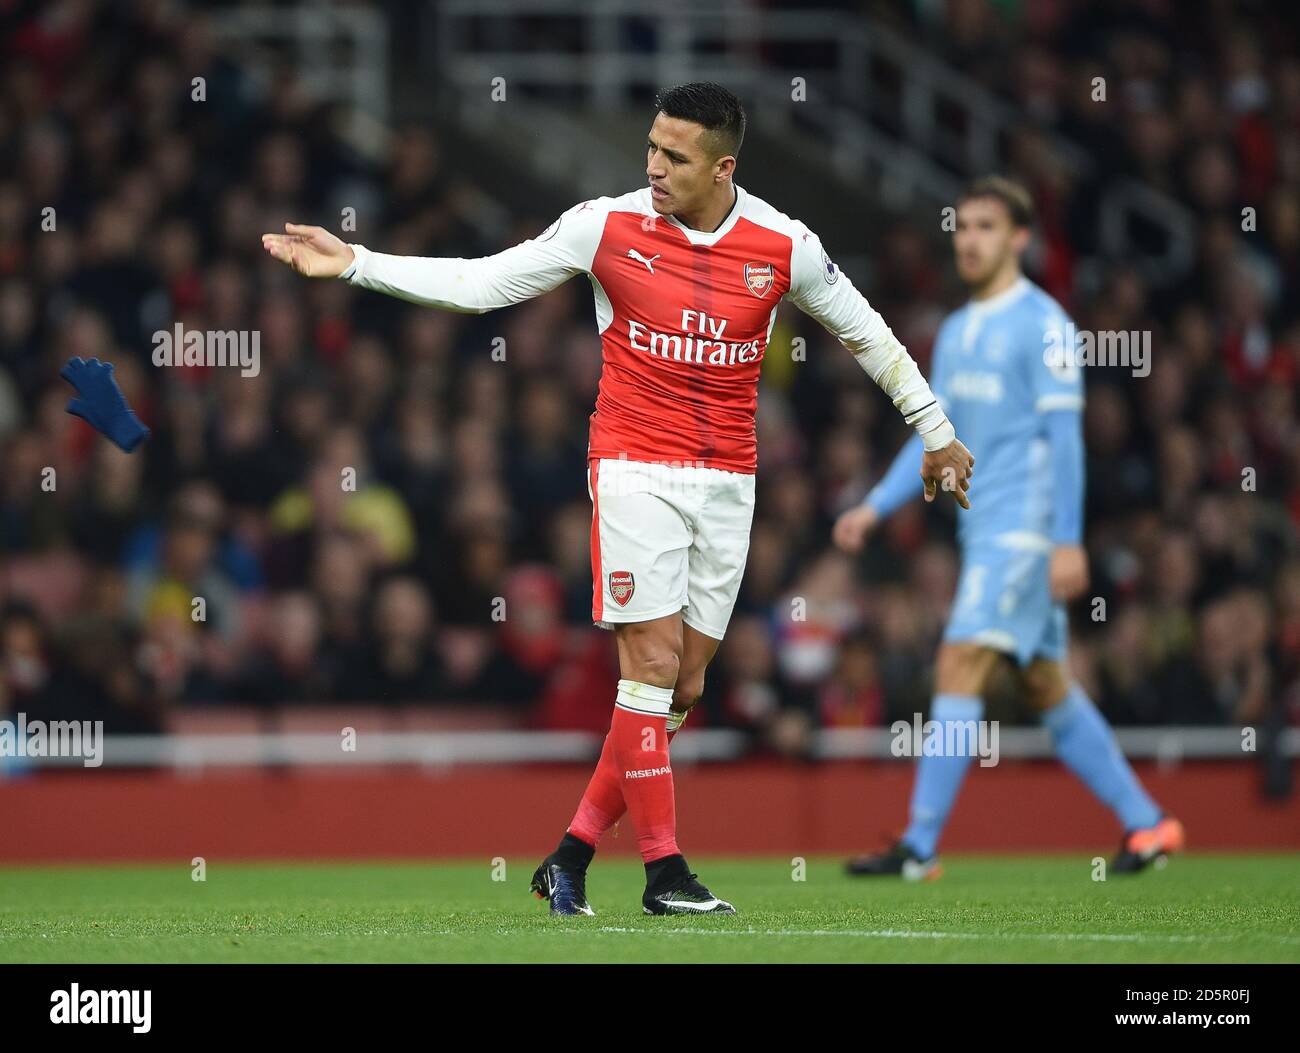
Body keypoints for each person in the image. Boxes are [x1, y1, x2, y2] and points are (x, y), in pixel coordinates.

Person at [263, 83, 974, 915]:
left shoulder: (785, 245)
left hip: (729, 483)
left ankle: (567, 856)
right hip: (634, 466)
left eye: (675, 155)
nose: (655, 166)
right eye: (650, 147)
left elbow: (869, 333)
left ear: (722, 167)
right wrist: (356, 263)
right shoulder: (604, 225)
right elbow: (484, 284)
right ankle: (665, 872)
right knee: (650, 664)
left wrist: (935, 428)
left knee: (684, 687)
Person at [834, 176, 1183, 880]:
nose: (969, 240)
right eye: (962, 227)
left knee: (958, 660)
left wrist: (1066, 539)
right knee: (1044, 687)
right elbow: (936, 436)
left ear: (1021, 238)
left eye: (987, 227)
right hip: (983, 531)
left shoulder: (1045, 323)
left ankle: (919, 846)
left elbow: (1066, 438)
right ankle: (1149, 825)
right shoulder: (959, 330)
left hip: (1022, 533)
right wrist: (876, 503)